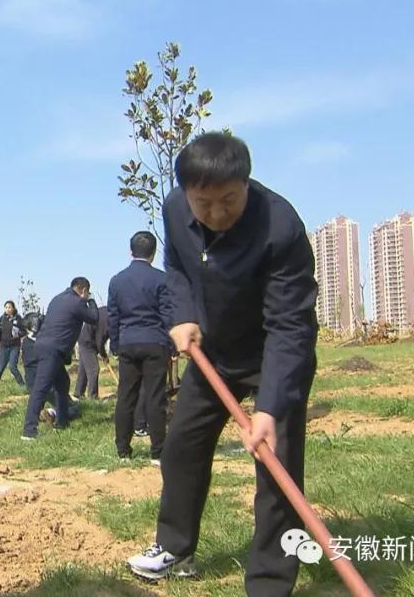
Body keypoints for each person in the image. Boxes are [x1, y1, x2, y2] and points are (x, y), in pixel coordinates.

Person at [126, 132, 318, 597]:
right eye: (203, 203)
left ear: (246, 184)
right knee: (181, 448)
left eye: (228, 200)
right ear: (187, 193)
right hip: (214, 354)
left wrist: (269, 407)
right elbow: (176, 268)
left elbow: (290, 326)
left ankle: (271, 582)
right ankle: (175, 547)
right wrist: (183, 314)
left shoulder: (281, 226)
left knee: (277, 469)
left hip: (273, 352)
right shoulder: (175, 209)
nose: (215, 213)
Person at [107, 231, 174, 464]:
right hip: (155, 342)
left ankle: (123, 450)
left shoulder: (117, 280)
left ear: (130, 251)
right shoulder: (162, 279)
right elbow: (168, 315)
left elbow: (112, 317)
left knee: (126, 396)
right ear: (154, 254)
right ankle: (158, 452)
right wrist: (171, 345)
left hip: (128, 342)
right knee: (155, 397)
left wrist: (115, 343)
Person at [21, 277, 98, 440]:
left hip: (45, 346)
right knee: (40, 389)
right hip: (52, 350)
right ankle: (29, 430)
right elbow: (94, 318)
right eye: (87, 292)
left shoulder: (57, 299)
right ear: (83, 290)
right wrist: (91, 301)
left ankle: (62, 422)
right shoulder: (77, 302)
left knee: (63, 383)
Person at [73, 304, 109, 400]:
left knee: (83, 369)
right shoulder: (107, 319)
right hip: (87, 343)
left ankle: (78, 393)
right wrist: (104, 355)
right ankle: (93, 397)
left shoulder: (108, 312)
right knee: (94, 369)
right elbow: (99, 341)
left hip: (87, 340)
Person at [0, 301, 26, 392]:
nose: (8, 309)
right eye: (6, 307)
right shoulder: (2, 319)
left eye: (9, 307)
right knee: (0, 368)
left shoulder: (18, 319)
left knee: (12, 367)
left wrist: (18, 333)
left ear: (13, 308)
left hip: (15, 346)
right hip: (4, 346)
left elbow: (24, 330)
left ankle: (23, 386)